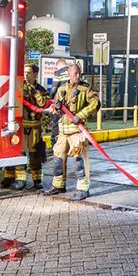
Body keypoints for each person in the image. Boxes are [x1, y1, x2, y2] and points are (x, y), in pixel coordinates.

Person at [0, 64, 51, 190]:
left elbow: (44, 104)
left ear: (35, 74)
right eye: (24, 72)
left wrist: (34, 91)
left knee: (35, 154)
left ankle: (37, 180)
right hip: (20, 126)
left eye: (29, 73)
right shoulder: (18, 86)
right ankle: (12, 177)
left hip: (34, 128)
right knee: (15, 152)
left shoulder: (41, 90)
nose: (26, 75)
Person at [43, 64, 100, 201]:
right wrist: (56, 108)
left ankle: (82, 189)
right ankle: (58, 185)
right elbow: (57, 109)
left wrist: (81, 115)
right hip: (63, 132)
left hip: (77, 133)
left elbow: (95, 103)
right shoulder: (62, 89)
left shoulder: (86, 88)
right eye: (75, 74)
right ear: (69, 74)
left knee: (79, 161)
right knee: (58, 159)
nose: (78, 76)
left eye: (79, 73)